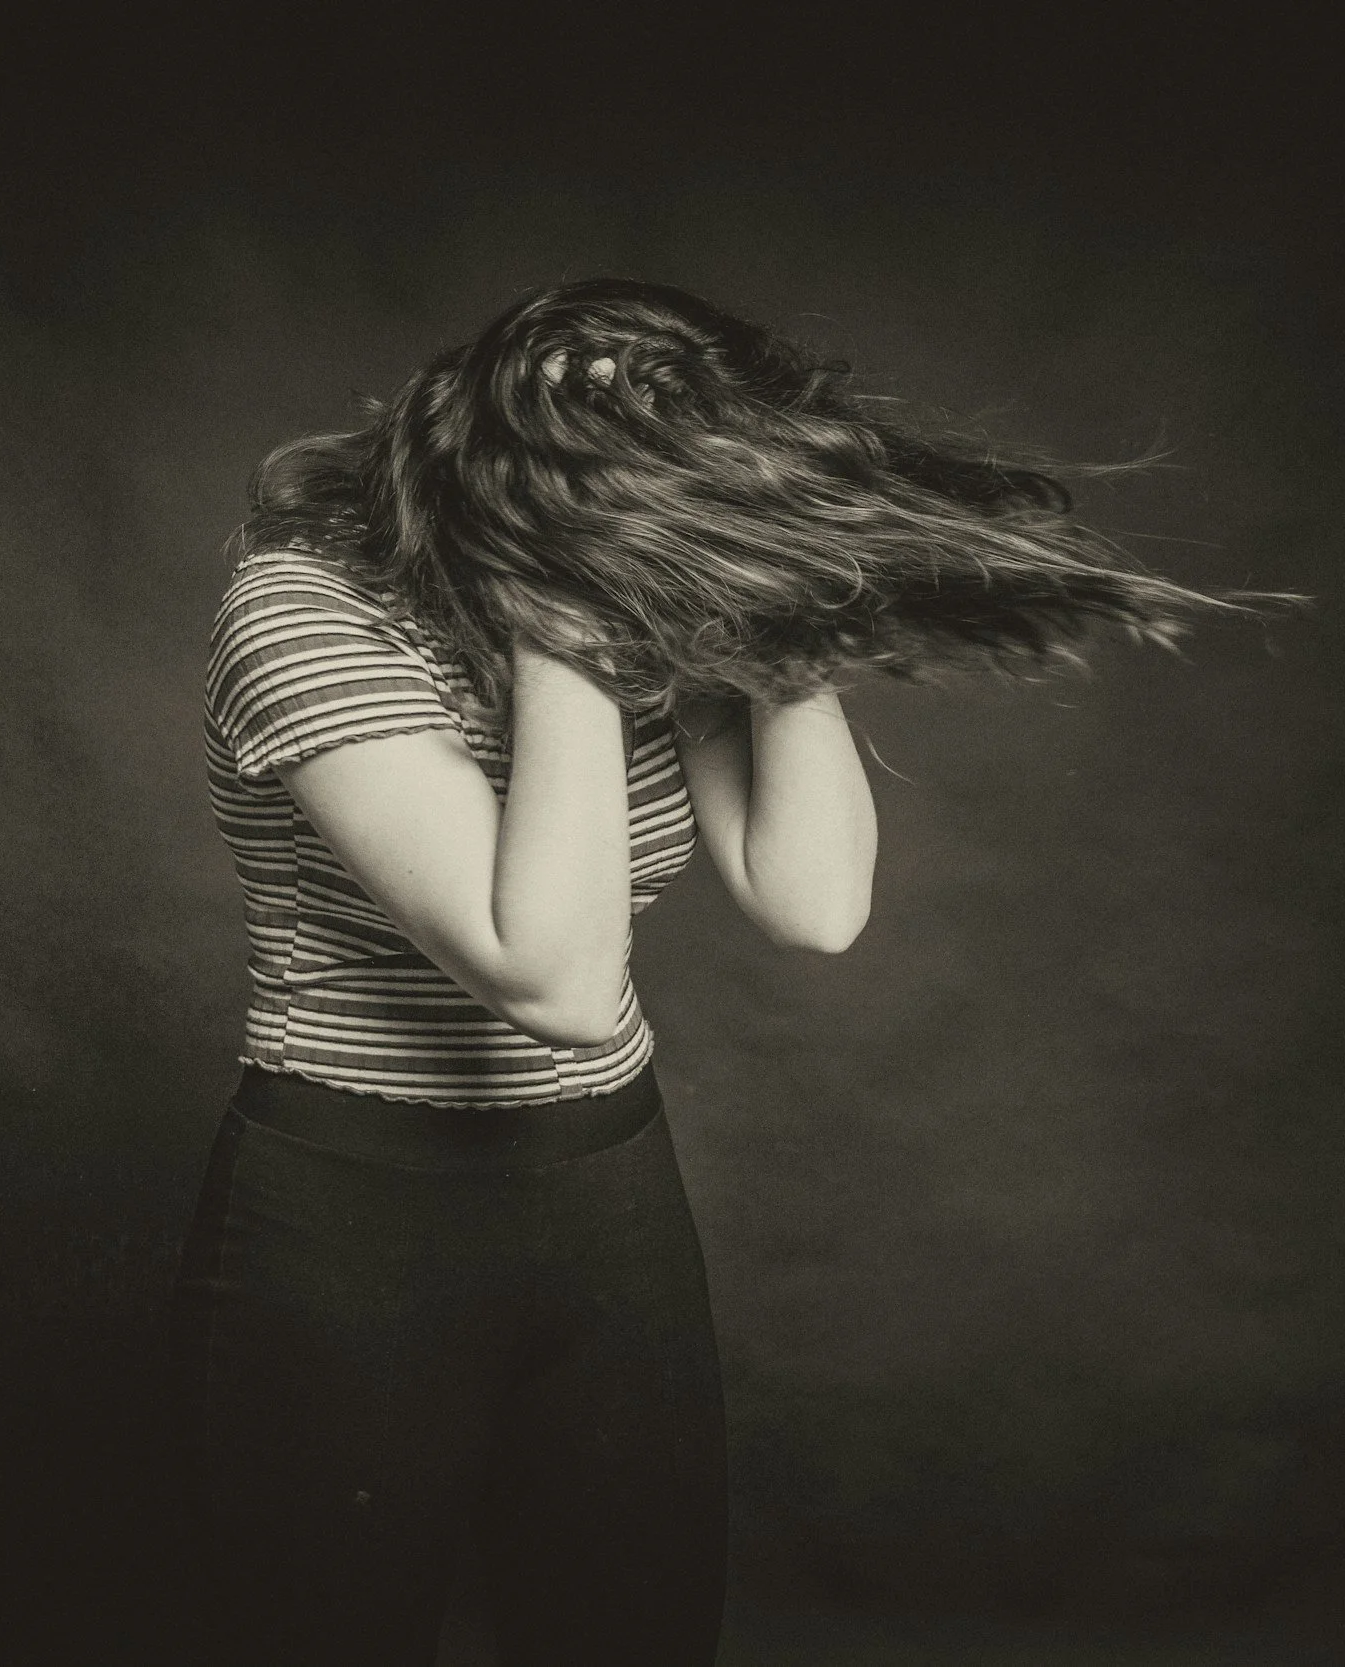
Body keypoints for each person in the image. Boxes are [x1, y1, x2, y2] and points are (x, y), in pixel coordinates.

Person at [171, 279, 1269, 1666]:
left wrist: (779, 617)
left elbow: (813, 903)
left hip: (605, 1198)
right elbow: (556, 980)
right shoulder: (303, 609)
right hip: (352, 1217)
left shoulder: (643, 581)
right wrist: (558, 620)